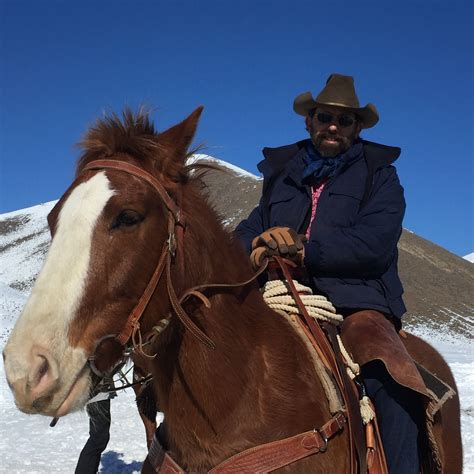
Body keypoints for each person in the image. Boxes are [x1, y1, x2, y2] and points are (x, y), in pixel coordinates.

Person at [235, 74, 426, 474]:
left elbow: (375, 245)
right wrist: (257, 246)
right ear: (310, 121)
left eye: (345, 120)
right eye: (325, 117)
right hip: (280, 295)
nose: (333, 126)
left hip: (357, 301)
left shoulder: (380, 176)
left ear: (357, 127)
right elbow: (246, 232)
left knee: (393, 378)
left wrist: (305, 248)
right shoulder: (282, 175)